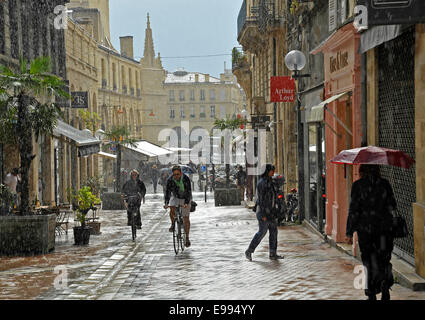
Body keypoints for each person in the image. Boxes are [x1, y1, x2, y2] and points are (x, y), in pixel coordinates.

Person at [345, 164, 396, 300]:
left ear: (362, 172)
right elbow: (392, 205)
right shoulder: (384, 184)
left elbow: (354, 210)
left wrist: (349, 232)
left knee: (368, 261)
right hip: (384, 230)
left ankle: (371, 292)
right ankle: (385, 285)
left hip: (366, 231)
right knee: (384, 260)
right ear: (377, 170)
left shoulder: (358, 186)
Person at [245, 164, 284, 261]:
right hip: (263, 212)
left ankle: (273, 253)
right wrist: (263, 214)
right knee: (262, 232)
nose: (273, 172)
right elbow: (261, 200)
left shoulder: (270, 181)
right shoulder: (262, 183)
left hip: (271, 212)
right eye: (272, 171)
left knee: (274, 232)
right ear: (267, 171)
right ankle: (249, 250)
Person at [163, 165, 193, 247]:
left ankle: (187, 237)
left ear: (181, 173)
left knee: (186, 218)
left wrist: (186, 203)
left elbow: (188, 192)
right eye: (174, 174)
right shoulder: (170, 180)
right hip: (175, 196)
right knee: (172, 208)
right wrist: (166, 203)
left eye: (177, 174)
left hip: (185, 198)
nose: (176, 176)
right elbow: (168, 192)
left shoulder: (186, 179)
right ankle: (173, 224)